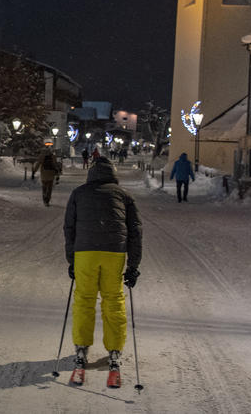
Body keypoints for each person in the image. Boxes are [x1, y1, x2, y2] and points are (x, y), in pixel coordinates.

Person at [64, 156, 142, 385]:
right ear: (113, 174)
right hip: (114, 253)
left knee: (84, 299)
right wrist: (133, 266)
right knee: (113, 299)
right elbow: (135, 231)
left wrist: (72, 260)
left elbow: (69, 228)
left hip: (85, 253)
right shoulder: (125, 196)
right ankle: (115, 349)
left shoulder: (78, 194)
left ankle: (81, 346)